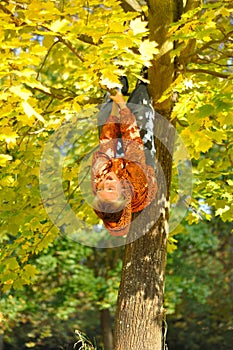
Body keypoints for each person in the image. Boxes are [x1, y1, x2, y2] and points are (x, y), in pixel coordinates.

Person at [92, 91, 157, 236]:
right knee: (139, 112)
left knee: (105, 116)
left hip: (116, 163)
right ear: (123, 193)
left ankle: (117, 80)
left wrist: (114, 110)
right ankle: (143, 83)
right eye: (110, 189)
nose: (105, 183)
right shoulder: (137, 184)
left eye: (101, 190)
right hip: (140, 164)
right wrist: (122, 105)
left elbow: (107, 145)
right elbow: (133, 143)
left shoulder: (99, 180)